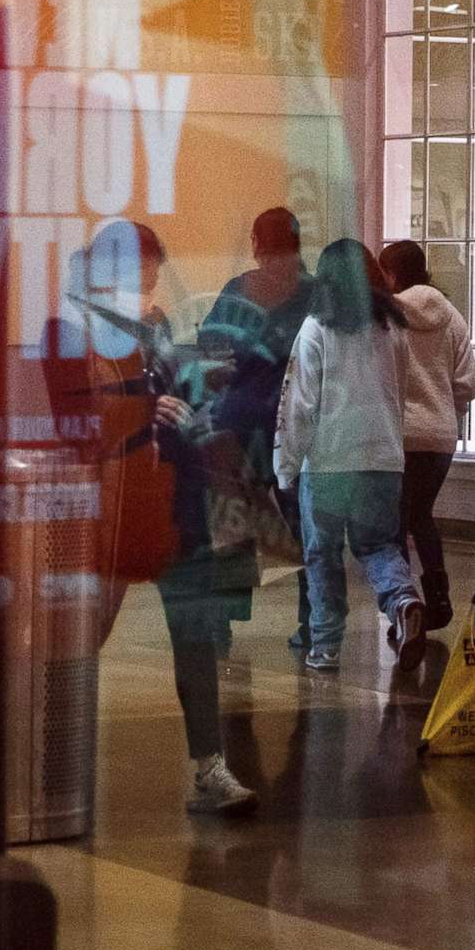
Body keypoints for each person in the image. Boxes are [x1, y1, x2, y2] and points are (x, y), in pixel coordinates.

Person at [44, 219, 258, 818]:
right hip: (111, 505)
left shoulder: (153, 325)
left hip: (171, 493)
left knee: (193, 633)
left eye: (152, 276)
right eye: (140, 275)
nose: (149, 286)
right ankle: (52, 752)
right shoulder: (67, 328)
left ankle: (210, 765)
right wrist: (145, 407)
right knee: (84, 636)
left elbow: (179, 393)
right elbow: (74, 425)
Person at [274, 239, 427, 672]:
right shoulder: (393, 327)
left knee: (322, 554)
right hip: (383, 458)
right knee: (378, 545)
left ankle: (325, 646)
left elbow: (299, 405)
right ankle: (403, 600)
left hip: (327, 462)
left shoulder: (315, 327)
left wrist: (285, 466)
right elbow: (400, 395)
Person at [216, 207, 318, 653]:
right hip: (296, 421)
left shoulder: (239, 289)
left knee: (234, 524)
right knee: (304, 525)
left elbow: (213, 350)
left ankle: (222, 622)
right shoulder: (315, 292)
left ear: (257, 241)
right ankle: (312, 620)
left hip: (241, 421)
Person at [378, 240, 475, 630]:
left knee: (396, 523)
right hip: (439, 437)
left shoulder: (386, 317)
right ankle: (438, 599)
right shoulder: (453, 316)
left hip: (398, 435)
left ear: (394, 274)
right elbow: (467, 382)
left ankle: (407, 606)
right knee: (422, 516)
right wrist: (448, 414)